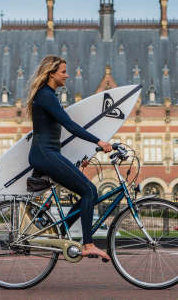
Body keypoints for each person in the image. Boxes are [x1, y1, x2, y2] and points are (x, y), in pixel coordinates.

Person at [25, 55, 113, 262]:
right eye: (63, 71)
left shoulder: (48, 95)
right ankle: (88, 244)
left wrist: (77, 160)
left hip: (48, 153)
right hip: (44, 154)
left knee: (88, 192)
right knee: (89, 190)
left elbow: (57, 137)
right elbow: (71, 127)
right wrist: (100, 142)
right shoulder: (46, 95)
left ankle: (61, 233)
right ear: (51, 73)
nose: (67, 75)